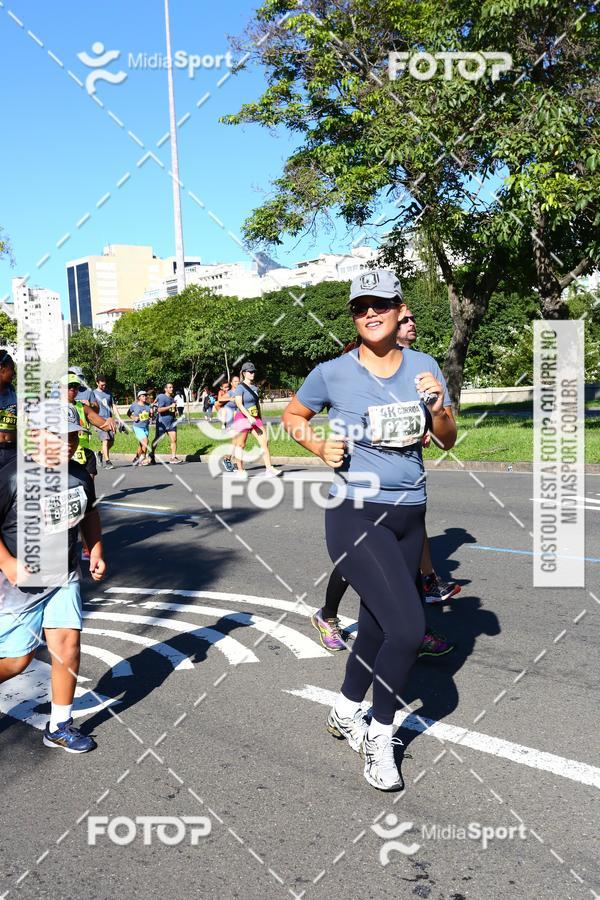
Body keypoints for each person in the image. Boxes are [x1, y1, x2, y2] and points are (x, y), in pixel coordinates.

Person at [282, 269, 456, 790]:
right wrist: (316, 445)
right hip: (355, 513)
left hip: (411, 514)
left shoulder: (424, 366)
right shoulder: (332, 372)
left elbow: (446, 438)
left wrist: (438, 406)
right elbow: (294, 413)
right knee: (406, 628)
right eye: (361, 307)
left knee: (379, 627)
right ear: (354, 315)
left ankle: (344, 710)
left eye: (380, 304)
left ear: (397, 308)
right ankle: (381, 737)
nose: (371, 314)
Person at [0, 402, 106, 753]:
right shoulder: (13, 476)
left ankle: (59, 726)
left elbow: (89, 513)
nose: (68, 443)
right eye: (57, 436)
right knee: (17, 660)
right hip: (21, 584)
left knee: (67, 646)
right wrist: (8, 564)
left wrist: (96, 550)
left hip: (64, 573)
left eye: (73, 435)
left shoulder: (79, 475)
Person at [397, 310, 461, 605]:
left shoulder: (425, 363)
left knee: (414, 523)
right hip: (370, 474)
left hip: (410, 465)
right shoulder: (361, 362)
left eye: (413, 318)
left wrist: (429, 422)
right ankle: (329, 612)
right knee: (370, 547)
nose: (412, 323)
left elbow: (444, 429)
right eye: (405, 320)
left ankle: (427, 582)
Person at [231, 362, 279, 478]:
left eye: (253, 371)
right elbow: (239, 404)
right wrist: (248, 417)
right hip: (243, 418)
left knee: (264, 441)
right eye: (250, 372)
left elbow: (256, 404)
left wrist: (259, 419)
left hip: (255, 418)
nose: (252, 373)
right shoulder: (240, 387)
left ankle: (269, 468)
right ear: (244, 373)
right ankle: (240, 469)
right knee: (241, 445)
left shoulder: (255, 388)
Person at [150, 382, 181, 464]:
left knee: (174, 440)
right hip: (162, 422)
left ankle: (173, 457)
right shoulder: (161, 397)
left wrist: (175, 411)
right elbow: (159, 410)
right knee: (157, 440)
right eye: (170, 387)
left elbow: (172, 409)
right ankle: (152, 454)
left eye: (172, 387)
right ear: (165, 389)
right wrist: (170, 407)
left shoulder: (172, 398)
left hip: (171, 422)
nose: (172, 389)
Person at [93, 376, 116, 470]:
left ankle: (100, 453)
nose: (103, 386)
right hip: (99, 420)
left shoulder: (108, 393)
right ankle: (108, 462)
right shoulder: (93, 393)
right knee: (105, 440)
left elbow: (113, 406)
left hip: (109, 420)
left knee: (111, 441)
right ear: (97, 383)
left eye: (105, 384)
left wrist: (117, 418)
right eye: (102, 385)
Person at [0, 351, 17, 471]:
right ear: (1, 367)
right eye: (12, 368)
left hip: (12, 451)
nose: (14, 373)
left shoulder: (11, 390)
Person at [127, 389, 152, 465]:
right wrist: (133, 418)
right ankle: (143, 458)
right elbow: (128, 413)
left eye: (146, 396)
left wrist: (151, 414)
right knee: (146, 441)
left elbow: (150, 416)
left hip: (145, 426)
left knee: (142, 444)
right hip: (137, 427)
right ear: (139, 397)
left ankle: (136, 458)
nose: (145, 397)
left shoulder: (148, 405)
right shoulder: (134, 405)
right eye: (143, 396)